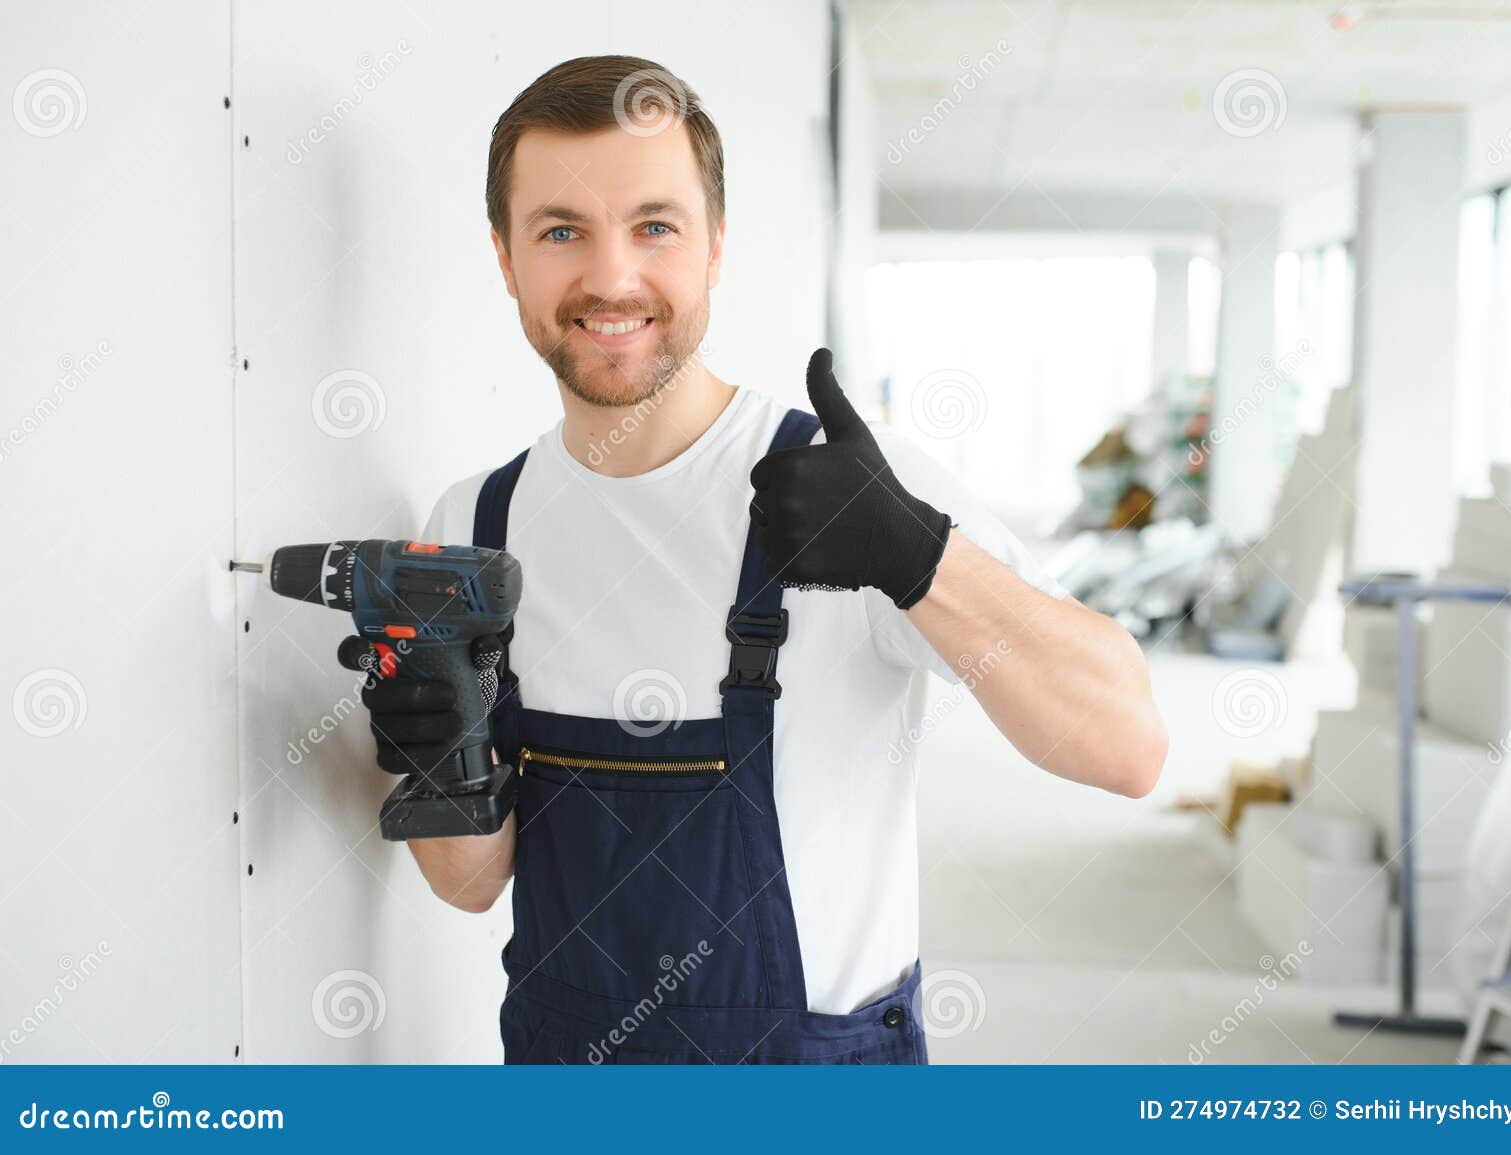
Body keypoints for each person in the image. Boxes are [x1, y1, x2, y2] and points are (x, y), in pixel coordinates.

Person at [345, 55, 1167, 1065]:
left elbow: (1127, 749)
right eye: (561, 231)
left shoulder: (853, 490)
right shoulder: (477, 520)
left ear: (715, 247)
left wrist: (917, 557)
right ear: (507, 258)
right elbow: (469, 884)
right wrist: (441, 757)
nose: (610, 278)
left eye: (655, 226)